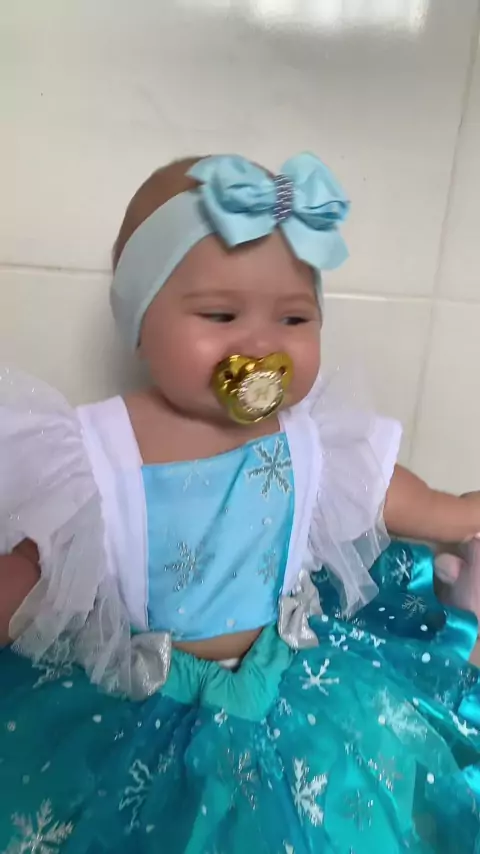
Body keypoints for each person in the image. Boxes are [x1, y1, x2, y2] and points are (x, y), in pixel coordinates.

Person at [1, 152, 480, 853]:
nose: (260, 345)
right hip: (149, 707)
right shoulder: (94, 454)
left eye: (294, 318)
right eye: (221, 314)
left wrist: (459, 513)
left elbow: (389, 495)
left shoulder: (309, 440)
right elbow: (33, 571)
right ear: (140, 323)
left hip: (287, 689)